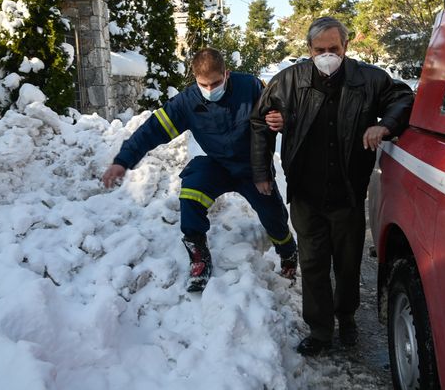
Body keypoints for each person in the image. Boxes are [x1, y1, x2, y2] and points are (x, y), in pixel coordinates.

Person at [250, 17, 414, 355]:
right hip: (307, 195)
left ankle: (347, 317)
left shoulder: (368, 79)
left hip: (348, 193)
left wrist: (385, 125)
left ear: (346, 47)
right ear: (308, 50)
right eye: (320, 50)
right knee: (312, 264)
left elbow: (404, 97)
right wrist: (261, 170)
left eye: (333, 49)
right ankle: (321, 331)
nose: (327, 56)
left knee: (347, 263)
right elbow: (259, 120)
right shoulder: (288, 81)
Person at [102, 48, 298, 292]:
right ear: (194, 79)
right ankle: (198, 254)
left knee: (274, 216)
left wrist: (282, 121)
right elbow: (152, 130)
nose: (209, 89)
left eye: (215, 82)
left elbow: (284, 111)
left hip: (252, 166)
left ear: (227, 74)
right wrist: (123, 159)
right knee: (191, 190)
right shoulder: (187, 102)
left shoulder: (251, 87)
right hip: (217, 164)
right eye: (203, 84)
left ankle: (288, 251)